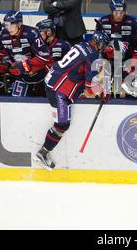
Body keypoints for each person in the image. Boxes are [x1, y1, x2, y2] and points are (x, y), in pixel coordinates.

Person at [34, 30, 110, 170]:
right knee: (63, 124)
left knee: (62, 122)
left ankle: (44, 151)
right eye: (104, 45)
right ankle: (43, 152)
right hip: (59, 90)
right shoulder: (93, 56)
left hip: (52, 80)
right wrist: (102, 91)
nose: (104, 48)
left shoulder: (80, 45)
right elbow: (89, 89)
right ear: (99, 44)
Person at [0, 11, 53, 97]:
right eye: (7, 24)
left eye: (12, 24)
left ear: (19, 24)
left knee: (23, 95)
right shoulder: (4, 34)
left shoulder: (32, 33)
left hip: (36, 74)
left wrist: (26, 65)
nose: (9, 28)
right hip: (15, 74)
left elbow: (45, 57)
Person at [95, 0, 137, 93]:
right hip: (107, 60)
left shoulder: (134, 23)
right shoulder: (102, 21)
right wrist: (104, 53)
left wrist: (132, 64)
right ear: (111, 11)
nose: (118, 15)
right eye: (116, 13)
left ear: (125, 11)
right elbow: (96, 46)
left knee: (128, 92)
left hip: (127, 61)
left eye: (121, 13)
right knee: (99, 89)